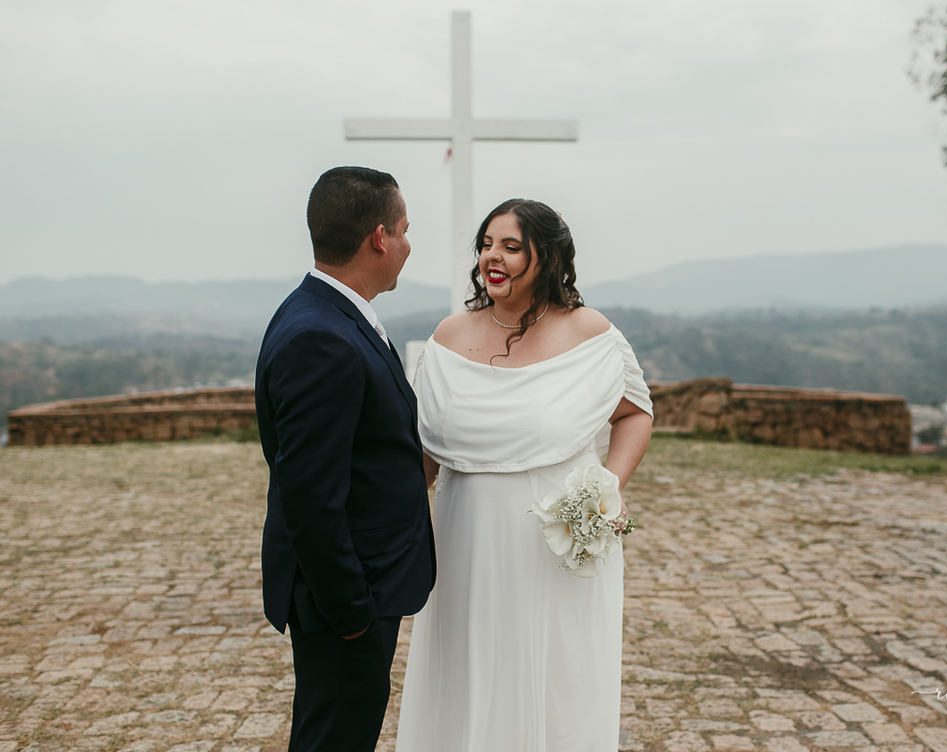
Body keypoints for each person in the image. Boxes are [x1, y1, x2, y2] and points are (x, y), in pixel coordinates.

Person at [394, 198, 654, 752]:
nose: (494, 256)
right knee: (470, 673)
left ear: (550, 256)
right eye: (487, 244)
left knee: (553, 679)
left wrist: (608, 486)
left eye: (511, 247)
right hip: (466, 543)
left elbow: (634, 412)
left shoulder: (590, 332)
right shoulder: (446, 338)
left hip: (553, 549)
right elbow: (425, 449)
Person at [256, 166, 436, 752]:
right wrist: (352, 611)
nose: (410, 244)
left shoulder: (330, 314)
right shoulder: (321, 337)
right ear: (379, 237)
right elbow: (309, 494)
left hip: (361, 587)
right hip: (348, 596)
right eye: (405, 230)